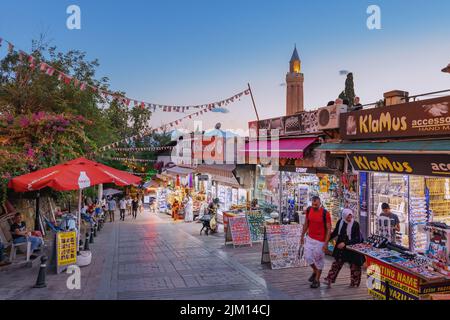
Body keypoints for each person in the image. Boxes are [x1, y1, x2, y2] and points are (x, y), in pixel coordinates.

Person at [324, 209, 365, 288]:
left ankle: (354, 283)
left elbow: (357, 239)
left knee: (354, 266)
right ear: (344, 216)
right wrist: (326, 240)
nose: (349, 219)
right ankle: (329, 279)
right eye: (347, 217)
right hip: (341, 248)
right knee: (336, 264)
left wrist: (345, 244)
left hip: (352, 248)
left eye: (350, 217)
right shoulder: (340, 222)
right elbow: (336, 232)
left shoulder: (355, 224)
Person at [300, 196, 331, 289]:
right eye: (313, 204)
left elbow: (329, 229)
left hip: (320, 241)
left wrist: (326, 243)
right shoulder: (309, 210)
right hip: (310, 238)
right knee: (308, 257)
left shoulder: (325, 213)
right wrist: (302, 235)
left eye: (316, 204)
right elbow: (306, 224)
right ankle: (315, 271)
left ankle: (317, 280)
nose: (314, 206)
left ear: (320, 203)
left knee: (318, 259)